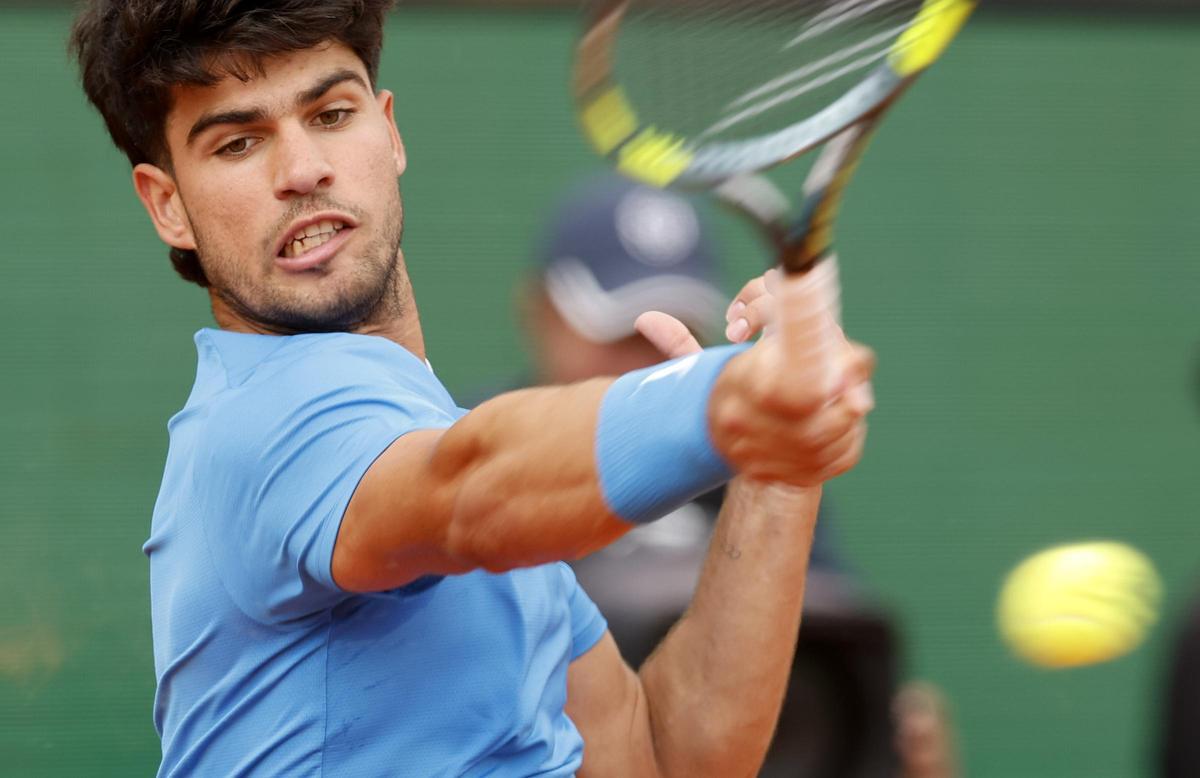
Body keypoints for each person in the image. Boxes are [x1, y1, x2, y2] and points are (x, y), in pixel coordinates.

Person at [70, 2, 875, 776]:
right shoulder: (266, 420)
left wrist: (776, 471)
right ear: (168, 205)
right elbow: (468, 486)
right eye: (238, 143)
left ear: (390, 131)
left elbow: (667, 757)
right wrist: (726, 401)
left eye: (332, 114)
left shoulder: (445, 463)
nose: (303, 170)